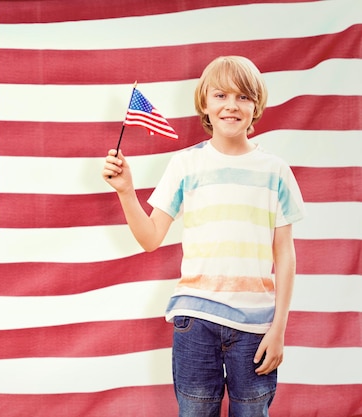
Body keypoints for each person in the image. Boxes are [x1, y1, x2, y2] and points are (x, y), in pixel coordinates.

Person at [102, 56, 305, 416]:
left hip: (256, 327)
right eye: (221, 95)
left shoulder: (276, 171)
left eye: (243, 97)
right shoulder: (185, 165)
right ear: (205, 104)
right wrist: (126, 192)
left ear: (256, 105)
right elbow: (150, 238)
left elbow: (285, 254)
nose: (231, 105)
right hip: (195, 321)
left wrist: (279, 329)